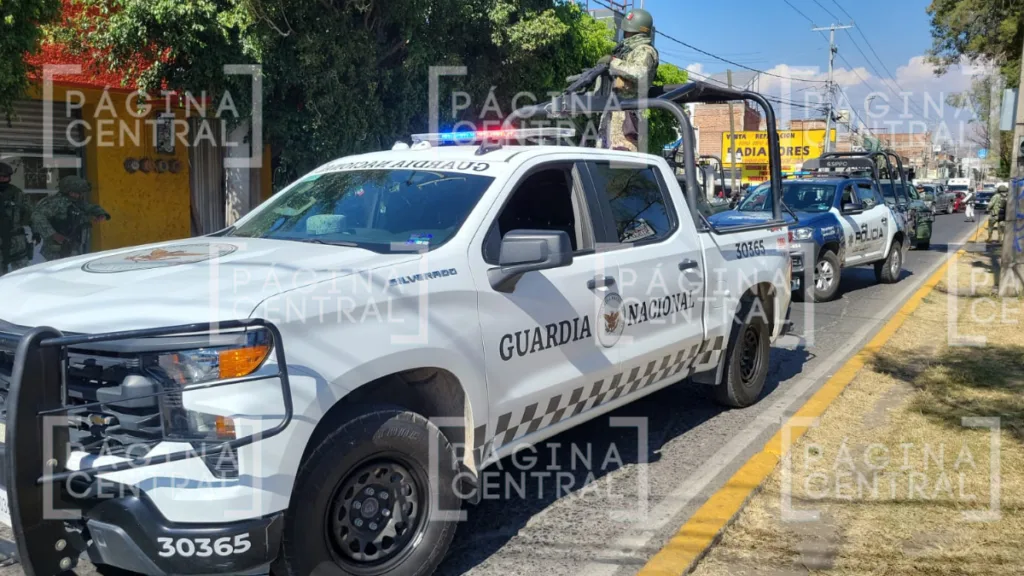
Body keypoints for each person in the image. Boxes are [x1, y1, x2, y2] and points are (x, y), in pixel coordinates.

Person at [599, 8, 660, 152]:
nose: (625, 36)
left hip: (627, 120)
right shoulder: (627, 52)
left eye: (628, 32)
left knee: (623, 159)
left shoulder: (645, 50)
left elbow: (639, 72)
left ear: (637, 33)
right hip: (614, 114)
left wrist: (613, 62)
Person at [33, 175, 110, 261]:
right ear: (69, 191)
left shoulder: (76, 202)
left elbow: (89, 207)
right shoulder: (55, 203)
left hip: (75, 247)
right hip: (57, 250)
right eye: (77, 192)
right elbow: (37, 216)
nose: (80, 195)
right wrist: (53, 234)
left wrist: (100, 213)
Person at [0, 162, 36, 274]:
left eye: (5, 177)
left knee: (22, 274)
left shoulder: (17, 193)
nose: (2, 179)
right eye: (0, 176)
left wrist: (36, 231)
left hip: (17, 241)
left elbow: (30, 213)